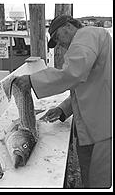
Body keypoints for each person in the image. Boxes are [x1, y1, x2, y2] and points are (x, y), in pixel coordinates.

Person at [7, 15, 112, 188]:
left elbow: (72, 74)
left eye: (57, 37)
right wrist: (63, 109)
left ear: (68, 26)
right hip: (94, 125)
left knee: (99, 182)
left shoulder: (87, 35)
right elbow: (88, 86)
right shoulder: (93, 40)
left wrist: (32, 80)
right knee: (89, 179)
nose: (60, 44)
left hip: (103, 130)